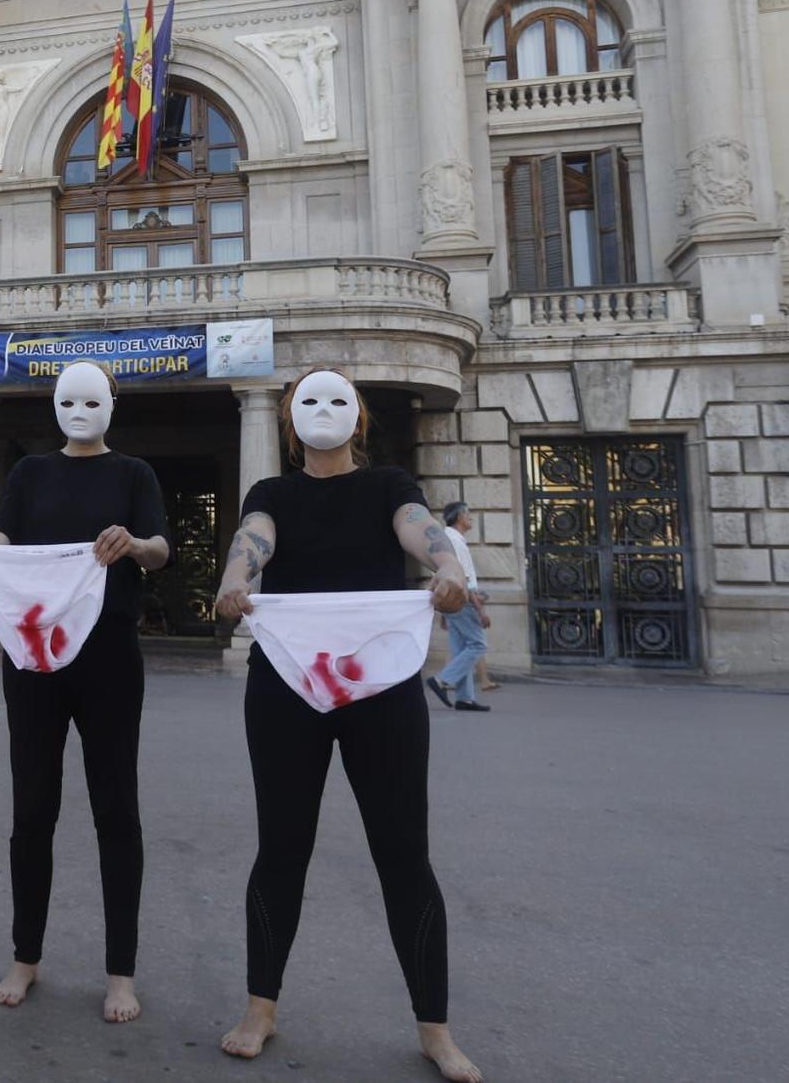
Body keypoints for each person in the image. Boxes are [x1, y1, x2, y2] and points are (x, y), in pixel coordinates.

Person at [214, 367, 481, 1083]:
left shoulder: (388, 482)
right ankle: (260, 1008)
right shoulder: (273, 491)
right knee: (282, 847)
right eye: (309, 401)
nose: (322, 411)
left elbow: (417, 529)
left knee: (403, 852)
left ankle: (435, 1027)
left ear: (356, 419)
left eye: (337, 400)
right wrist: (235, 577)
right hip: (286, 684)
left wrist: (448, 562)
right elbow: (255, 535)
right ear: (289, 420)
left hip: (380, 684)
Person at [0, 361, 170, 1024]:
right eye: (66, 398)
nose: (78, 408)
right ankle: (26, 955)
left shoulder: (134, 473)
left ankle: (120, 972)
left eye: (90, 397)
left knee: (115, 808)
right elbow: (3, 532)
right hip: (35, 656)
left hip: (109, 654)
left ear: (112, 400)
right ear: (53, 403)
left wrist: (132, 543)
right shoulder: (30, 472)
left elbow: (160, 548)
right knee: (33, 806)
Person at [425, 502, 491, 713]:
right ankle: (442, 680)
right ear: (460, 516)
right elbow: (464, 579)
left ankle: (465, 699)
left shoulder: (445, 539)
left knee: (462, 647)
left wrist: (445, 613)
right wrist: (480, 609)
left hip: (450, 601)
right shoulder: (457, 542)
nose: (470, 518)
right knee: (478, 645)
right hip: (462, 600)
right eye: (469, 514)